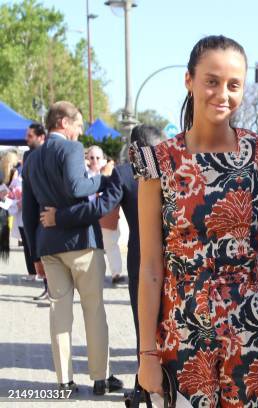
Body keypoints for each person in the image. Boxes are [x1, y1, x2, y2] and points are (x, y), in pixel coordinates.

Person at [133, 35, 258, 406]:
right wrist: (146, 354)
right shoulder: (159, 161)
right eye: (212, 81)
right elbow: (151, 267)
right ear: (189, 80)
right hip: (181, 335)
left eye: (234, 85)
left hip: (252, 333)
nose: (223, 94)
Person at [39, 124, 166, 403]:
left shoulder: (124, 173)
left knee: (144, 326)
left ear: (133, 150)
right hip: (180, 260)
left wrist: (59, 217)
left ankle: (144, 387)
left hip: (142, 263)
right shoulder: (179, 168)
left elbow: (99, 208)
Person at [21, 101, 122, 395]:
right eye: (78, 124)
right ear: (63, 122)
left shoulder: (32, 159)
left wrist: (33, 256)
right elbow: (79, 188)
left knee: (59, 314)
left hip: (48, 246)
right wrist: (104, 179)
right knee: (94, 310)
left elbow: (28, 213)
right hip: (81, 243)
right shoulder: (72, 149)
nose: (79, 130)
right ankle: (100, 377)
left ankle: (64, 381)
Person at [85, 146, 125, 284]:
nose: (95, 160)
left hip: (107, 217)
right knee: (91, 249)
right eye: (92, 157)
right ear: (87, 159)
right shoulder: (83, 177)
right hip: (89, 217)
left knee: (111, 245)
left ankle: (116, 273)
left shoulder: (111, 176)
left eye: (97, 157)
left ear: (103, 160)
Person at [20, 124, 47, 281]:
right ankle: (45, 283)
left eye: (30, 136)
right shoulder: (27, 155)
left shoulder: (49, 154)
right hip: (33, 207)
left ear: (41, 137)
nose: (26, 139)